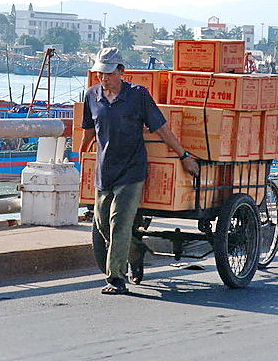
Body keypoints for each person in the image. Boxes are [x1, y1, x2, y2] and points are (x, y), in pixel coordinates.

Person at [80, 47, 199, 295]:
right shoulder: (91, 95)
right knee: (102, 224)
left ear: (122, 72)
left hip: (132, 170)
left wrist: (184, 155)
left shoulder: (138, 95)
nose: (104, 79)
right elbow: (89, 131)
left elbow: (162, 129)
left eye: (109, 74)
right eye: (100, 73)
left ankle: (115, 279)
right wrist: (79, 158)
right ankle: (136, 251)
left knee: (119, 223)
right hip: (105, 170)